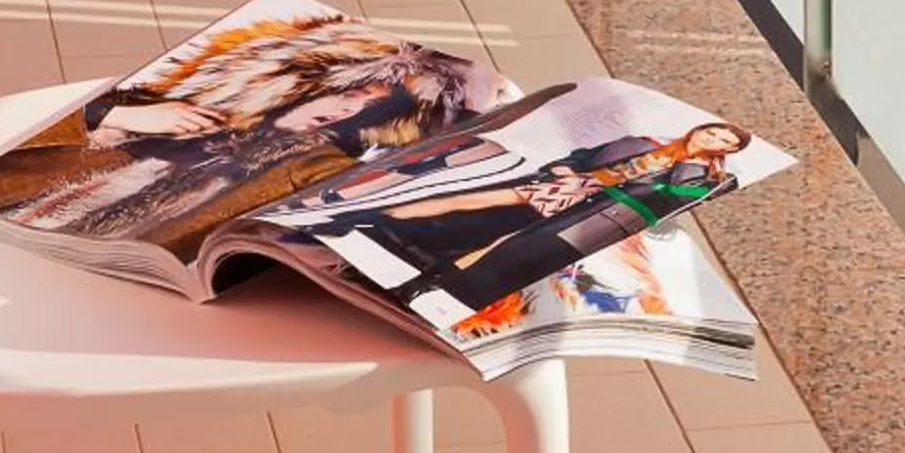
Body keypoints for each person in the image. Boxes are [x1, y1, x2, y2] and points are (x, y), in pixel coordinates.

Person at [0, 10, 513, 260]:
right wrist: (115, 118)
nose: (342, 115)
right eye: (351, 95)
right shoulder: (157, 107)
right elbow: (3, 168)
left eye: (373, 116)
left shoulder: (304, 171)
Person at [304, 121, 751, 317]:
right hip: (577, 186)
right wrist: (564, 167)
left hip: (596, 208)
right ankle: (361, 219)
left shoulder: (699, 175)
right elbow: (588, 157)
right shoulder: (647, 141)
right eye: (713, 130)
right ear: (700, 130)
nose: (713, 139)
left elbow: (668, 201)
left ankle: (428, 281)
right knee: (466, 201)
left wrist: (710, 176)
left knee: (505, 241)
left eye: (723, 141)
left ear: (725, 151)